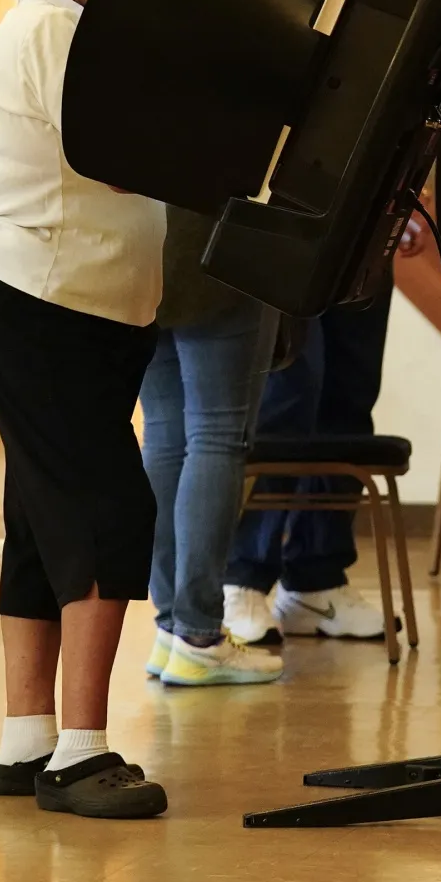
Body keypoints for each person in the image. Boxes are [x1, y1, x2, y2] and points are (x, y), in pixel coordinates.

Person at [0, 0, 170, 819]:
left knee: (46, 518)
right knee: (110, 508)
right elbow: (127, 158)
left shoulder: (63, 31)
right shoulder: (49, 32)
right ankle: (83, 752)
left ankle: (25, 740)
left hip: (72, 303)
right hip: (40, 297)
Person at [139, 207, 285, 686]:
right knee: (217, 434)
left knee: (163, 433)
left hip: (138, 242)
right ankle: (199, 637)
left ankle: (171, 630)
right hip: (220, 237)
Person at [221, 290, 394, 645]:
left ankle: (316, 579)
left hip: (363, 244)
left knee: (349, 396)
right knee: (286, 388)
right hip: (287, 240)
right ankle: (242, 578)